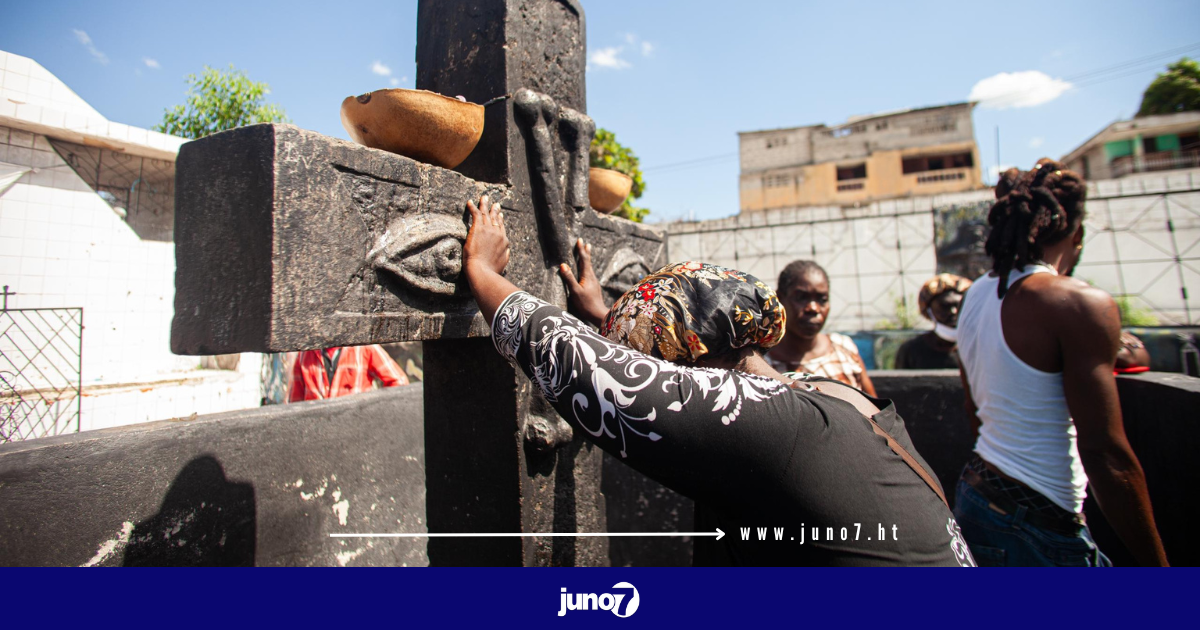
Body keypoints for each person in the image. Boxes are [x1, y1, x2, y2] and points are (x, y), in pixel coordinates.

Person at [464, 194, 975, 566]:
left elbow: (583, 368)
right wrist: (610, 319)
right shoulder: (818, 394)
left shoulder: (758, 419)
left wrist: (483, 270)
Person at [954, 159, 1168, 566]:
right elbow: (1105, 453)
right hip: (1039, 521)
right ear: (1079, 234)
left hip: (976, 497)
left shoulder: (976, 295)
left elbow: (974, 409)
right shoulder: (1077, 301)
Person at [764, 260, 877, 396]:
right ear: (780, 299)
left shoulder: (844, 349)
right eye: (801, 298)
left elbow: (876, 411)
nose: (813, 308)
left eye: (822, 299)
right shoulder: (763, 364)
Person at [894, 274, 972, 370]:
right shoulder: (912, 350)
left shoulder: (978, 345)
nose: (953, 311)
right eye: (944, 306)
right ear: (929, 310)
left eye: (958, 305)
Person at [288, 344, 409, 402]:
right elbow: (295, 402)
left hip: (356, 427)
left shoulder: (364, 347)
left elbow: (399, 382)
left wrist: (374, 407)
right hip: (317, 432)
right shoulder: (304, 353)